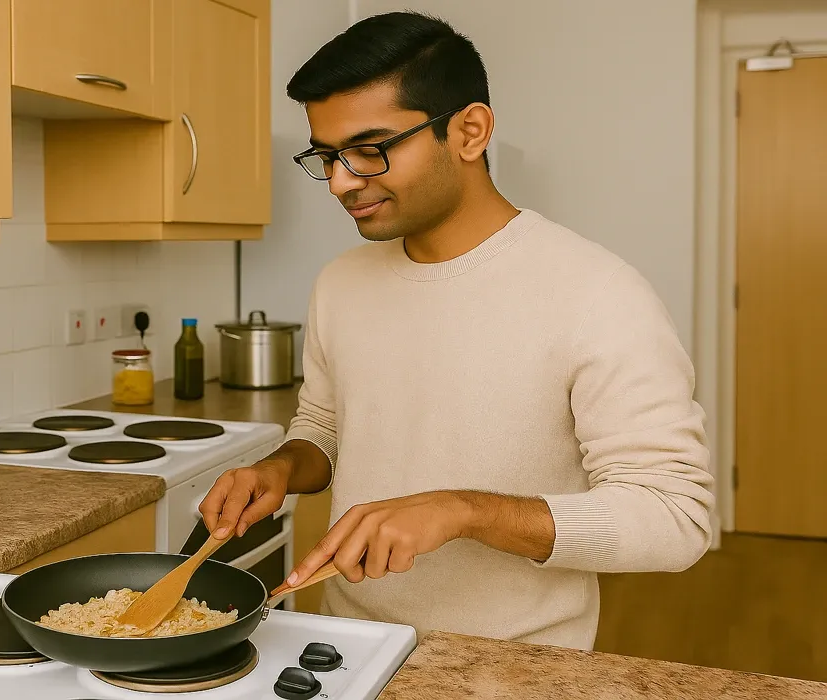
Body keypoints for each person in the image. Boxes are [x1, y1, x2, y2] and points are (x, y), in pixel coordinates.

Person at [198, 11, 715, 651]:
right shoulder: (341, 282)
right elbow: (326, 427)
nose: (340, 183)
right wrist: (281, 467)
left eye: (370, 149)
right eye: (327, 156)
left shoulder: (598, 293)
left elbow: (674, 519)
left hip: (516, 663)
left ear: (469, 131)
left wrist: (462, 511)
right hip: (344, 644)